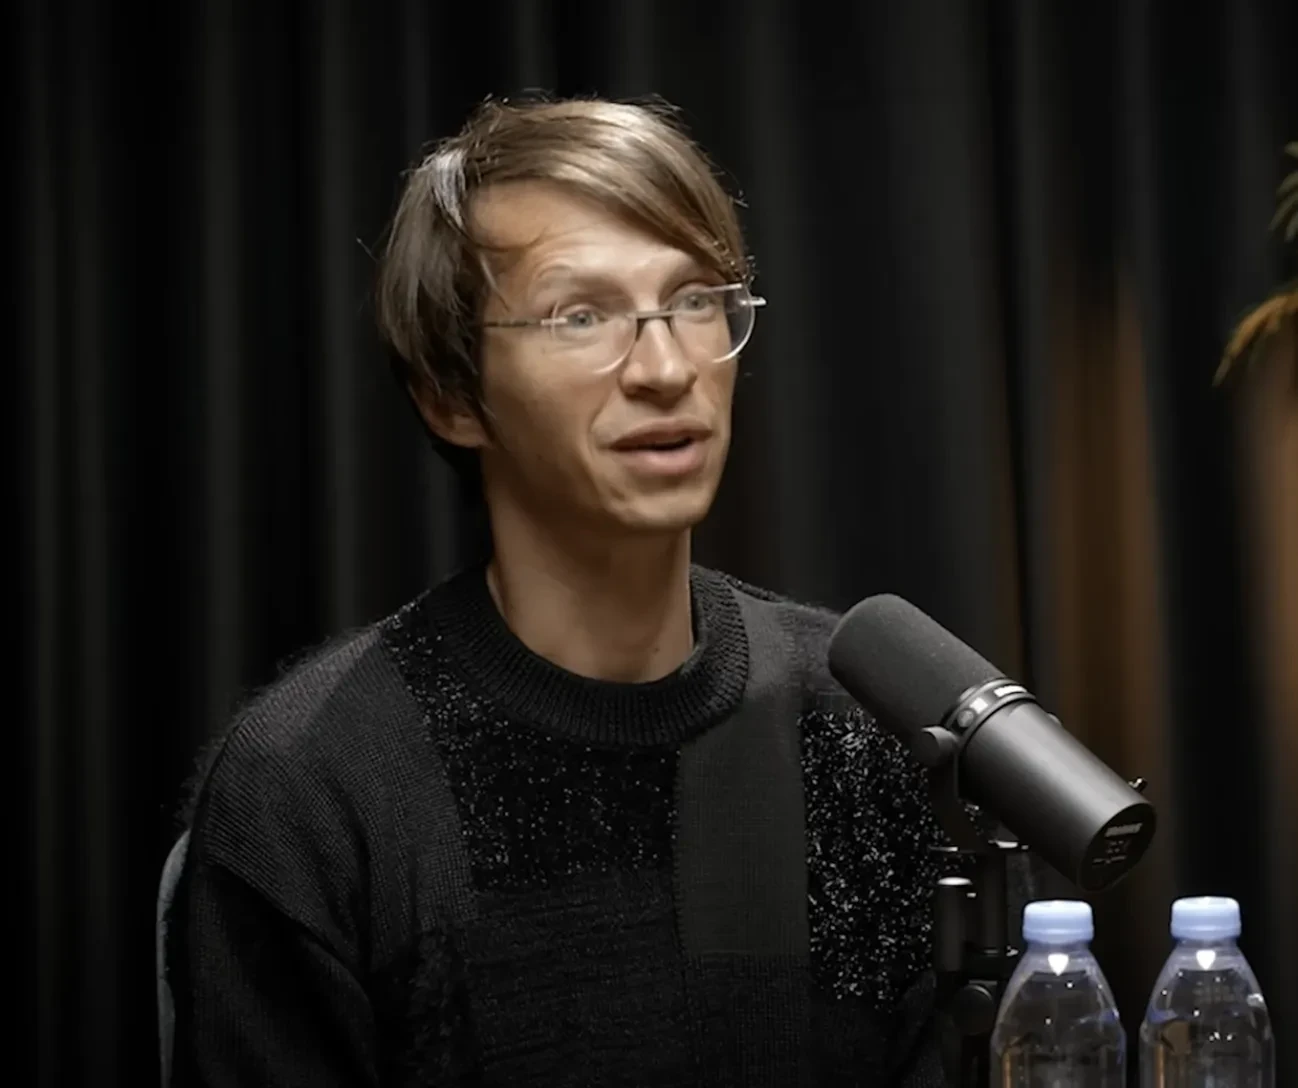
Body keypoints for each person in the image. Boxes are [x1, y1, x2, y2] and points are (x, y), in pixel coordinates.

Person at [168, 95, 948, 1086]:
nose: (666, 368)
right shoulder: (312, 783)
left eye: (694, 301)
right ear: (451, 396)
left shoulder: (855, 725)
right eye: (581, 316)